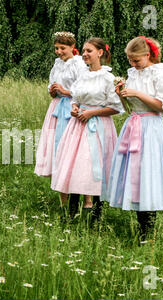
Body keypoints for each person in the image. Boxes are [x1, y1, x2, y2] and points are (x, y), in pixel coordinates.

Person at [103, 36, 163, 240]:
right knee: (134, 174)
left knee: (148, 172)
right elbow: (130, 108)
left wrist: (137, 93)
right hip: (134, 125)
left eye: (136, 60)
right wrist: (122, 95)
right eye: (130, 60)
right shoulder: (133, 73)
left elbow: (162, 105)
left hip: (151, 128)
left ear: (148, 55)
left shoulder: (159, 72)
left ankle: (149, 229)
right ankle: (141, 224)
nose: (133, 64)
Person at [51, 37, 123, 223]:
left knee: (96, 167)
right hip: (78, 126)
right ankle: (72, 213)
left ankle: (97, 215)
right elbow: (75, 96)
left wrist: (92, 113)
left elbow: (116, 107)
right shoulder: (82, 75)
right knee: (75, 165)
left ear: (100, 53)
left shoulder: (108, 78)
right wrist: (75, 107)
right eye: (83, 50)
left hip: (98, 126)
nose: (84, 54)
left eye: (89, 51)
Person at [34, 31, 87, 206]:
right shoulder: (57, 64)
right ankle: (63, 199)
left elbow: (84, 89)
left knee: (70, 148)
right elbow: (52, 84)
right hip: (57, 107)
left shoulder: (78, 64)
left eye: (62, 48)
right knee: (56, 149)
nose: (59, 52)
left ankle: (83, 195)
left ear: (73, 47)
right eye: (56, 48)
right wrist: (53, 91)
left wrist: (66, 91)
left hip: (72, 107)